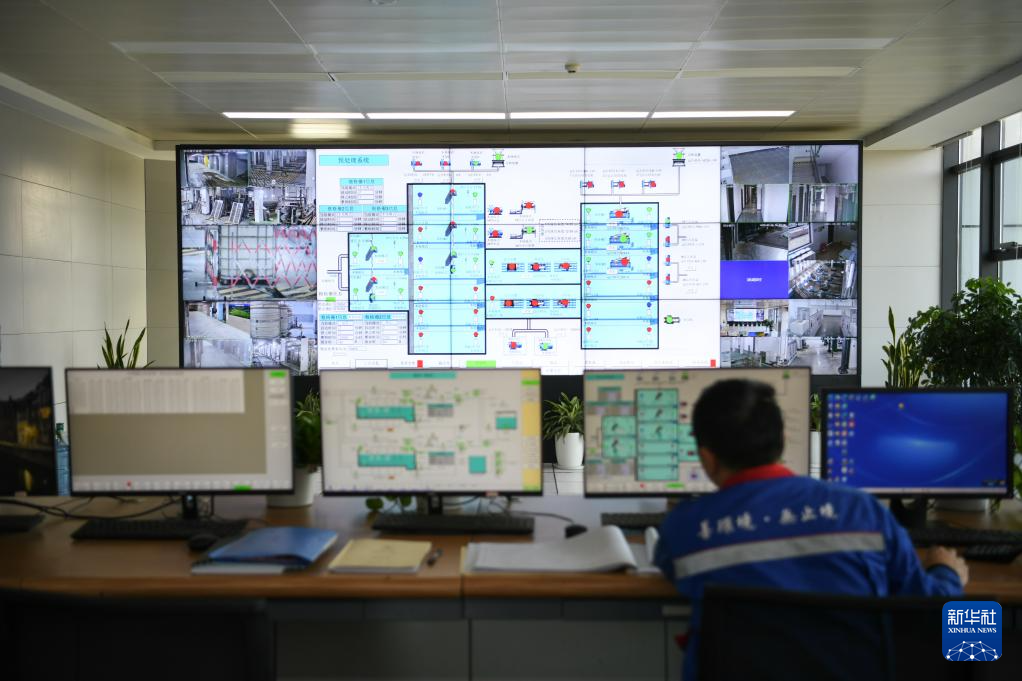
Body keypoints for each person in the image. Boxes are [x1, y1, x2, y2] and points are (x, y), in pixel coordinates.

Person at [653, 379, 967, 678]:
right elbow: (929, 610)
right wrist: (946, 572)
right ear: (783, 440)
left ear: (707, 458)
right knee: (982, 628)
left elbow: (671, 567)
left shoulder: (684, 527)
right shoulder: (861, 510)